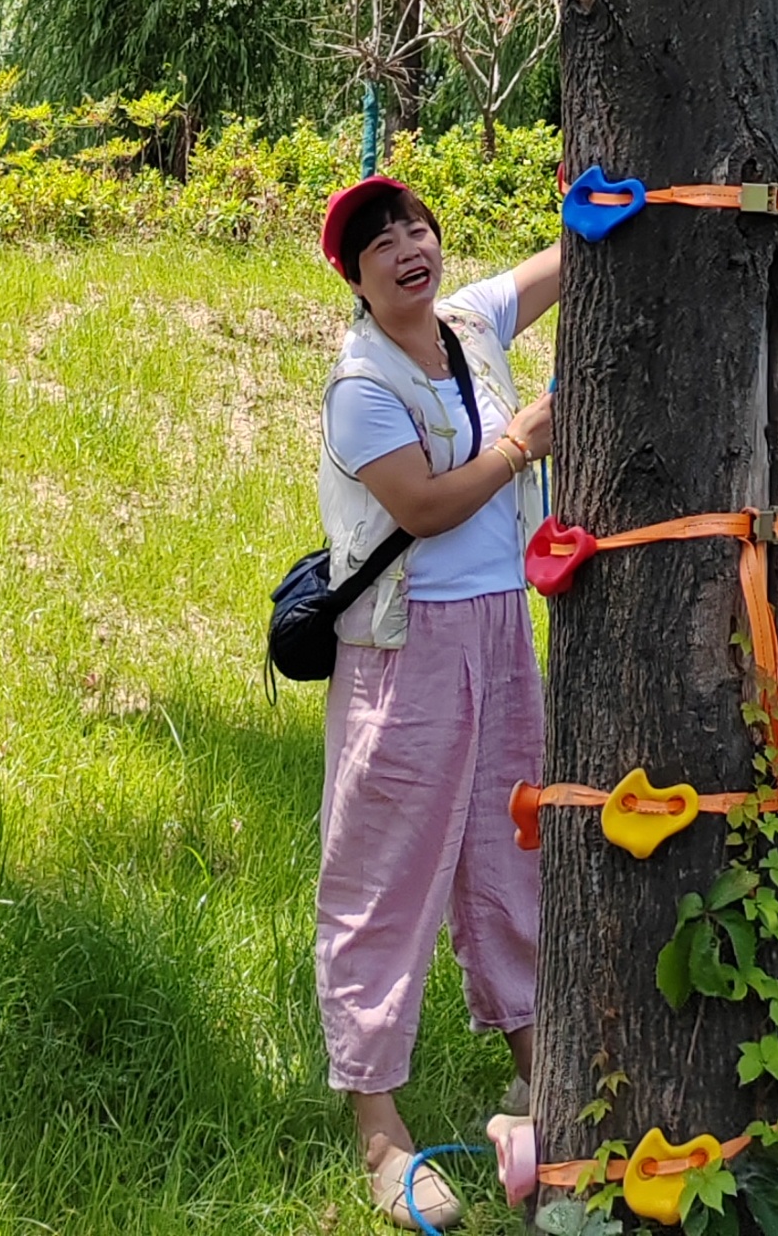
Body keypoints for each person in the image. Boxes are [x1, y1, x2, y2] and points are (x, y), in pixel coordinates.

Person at [312, 174, 559, 1231]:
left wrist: (595, 208)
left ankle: (540, 1069)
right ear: (356, 279)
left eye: (417, 228)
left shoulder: (470, 321)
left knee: (511, 846)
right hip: (405, 648)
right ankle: (380, 1129)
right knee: (386, 875)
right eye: (381, 244)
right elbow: (418, 503)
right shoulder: (360, 385)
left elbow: (568, 263)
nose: (408, 247)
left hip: (501, 628)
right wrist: (519, 445)